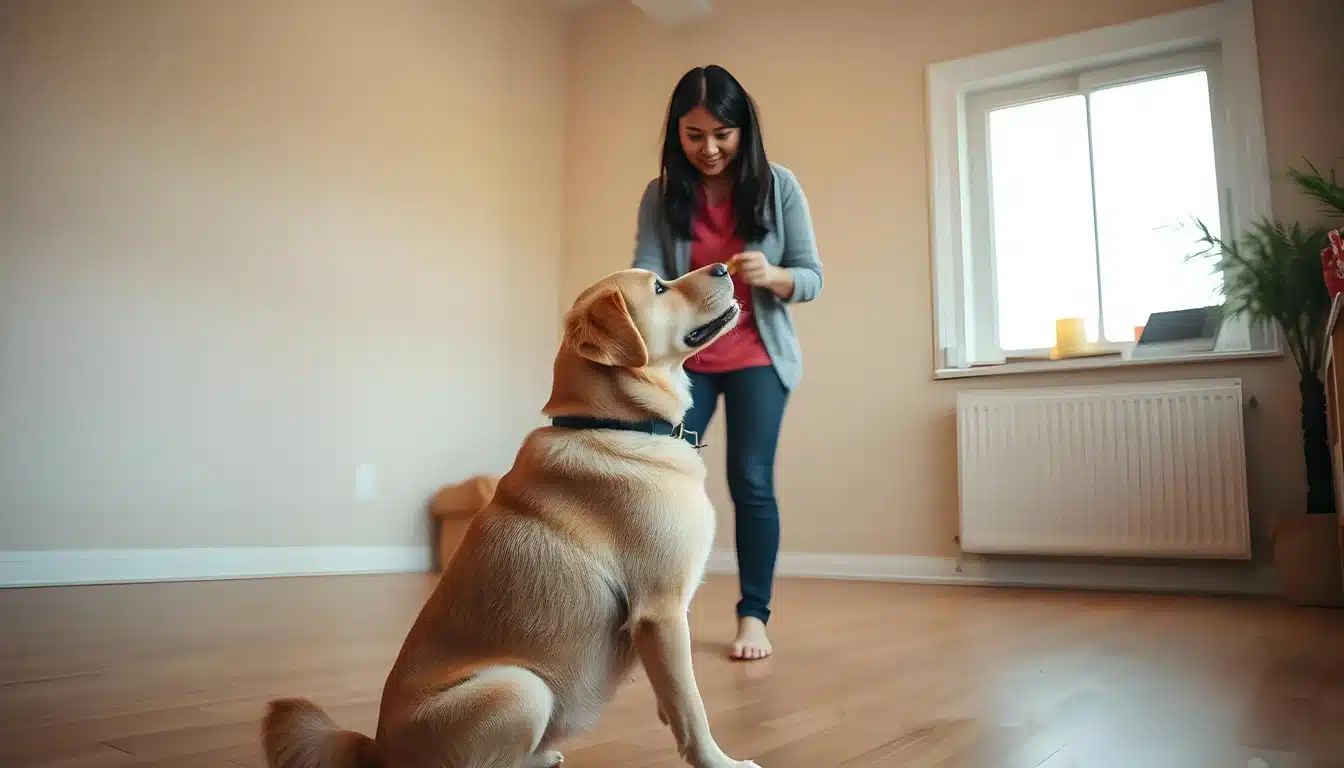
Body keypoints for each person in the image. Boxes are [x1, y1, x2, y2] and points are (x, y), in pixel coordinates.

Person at [630, 64, 823, 661]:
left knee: (751, 481)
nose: (709, 149)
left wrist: (777, 277)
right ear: (676, 135)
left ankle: (753, 617)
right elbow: (644, 278)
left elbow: (812, 277)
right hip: (686, 366)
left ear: (744, 130)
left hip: (758, 358)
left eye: (722, 134)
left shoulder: (779, 185)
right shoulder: (662, 196)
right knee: (662, 482)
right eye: (694, 136)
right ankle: (655, 611)